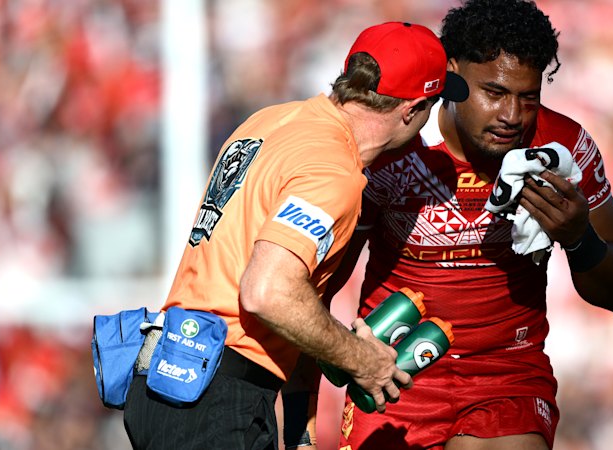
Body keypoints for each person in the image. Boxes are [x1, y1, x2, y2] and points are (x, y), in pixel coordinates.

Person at [312, 1, 613, 449]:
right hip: (394, 369)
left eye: (528, 98)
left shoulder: (561, 148)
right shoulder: (393, 145)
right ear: (451, 75)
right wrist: (301, 415)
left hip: (507, 374)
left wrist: (579, 238)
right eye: (494, 92)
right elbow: (321, 285)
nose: (512, 115)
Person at [122, 21, 469, 450]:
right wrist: (362, 359)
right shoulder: (333, 170)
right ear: (413, 110)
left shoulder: (270, 120)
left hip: (166, 379)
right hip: (216, 399)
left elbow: (293, 300)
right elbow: (269, 292)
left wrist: (300, 433)